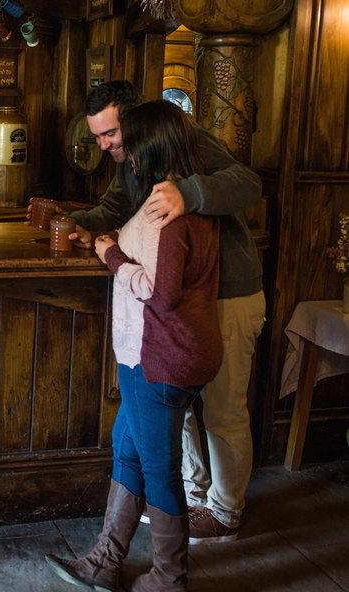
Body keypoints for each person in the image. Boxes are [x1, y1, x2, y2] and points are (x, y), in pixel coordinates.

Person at [69, 80, 265, 545]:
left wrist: (189, 192)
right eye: (97, 137)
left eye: (111, 134)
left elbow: (248, 182)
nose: (106, 146)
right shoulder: (132, 158)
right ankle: (194, 497)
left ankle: (224, 512)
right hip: (184, 300)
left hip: (229, 294)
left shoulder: (182, 138)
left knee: (222, 409)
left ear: (138, 122)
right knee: (174, 404)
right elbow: (118, 205)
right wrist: (81, 224)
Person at [46, 99, 223, 592]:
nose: (122, 152)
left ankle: (169, 579)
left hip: (159, 357)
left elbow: (161, 292)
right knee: (129, 455)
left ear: (152, 144)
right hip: (159, 356)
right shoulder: (182, 199)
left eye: (131, 141)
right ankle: (105, 560)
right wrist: (112, 241)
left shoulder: (170, 209)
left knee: (159, 469)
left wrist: (109, 255)